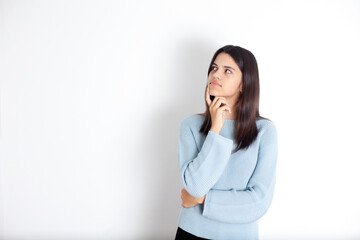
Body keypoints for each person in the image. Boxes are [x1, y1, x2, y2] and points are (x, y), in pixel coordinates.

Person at [174, 45, 278, 240]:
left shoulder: (265, 132)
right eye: (214, 68)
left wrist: (204, 200)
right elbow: (195, 187)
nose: (216, 75)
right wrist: (216, 129)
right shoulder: (190, 125)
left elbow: (258, 201)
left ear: (244, 84)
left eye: (227, 71)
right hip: (191, 233)